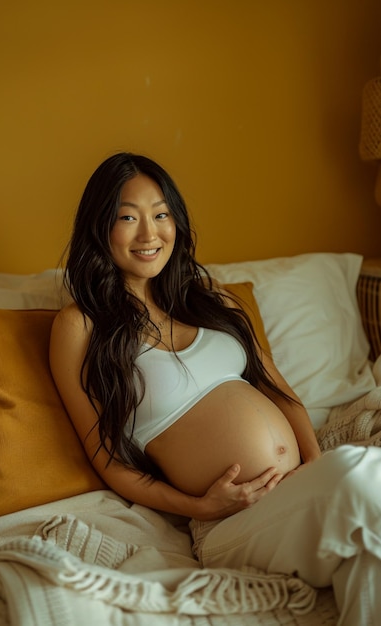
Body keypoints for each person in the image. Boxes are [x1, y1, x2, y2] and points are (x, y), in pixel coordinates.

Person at [50, 152, 381, 626]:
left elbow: (281, 391)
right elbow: (107, 460)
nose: (150, 233)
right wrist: (201, 506)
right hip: (229, 522)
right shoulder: (80, 326)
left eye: (161, 214)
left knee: (369, 556)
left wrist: (313, 466)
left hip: (304, 490)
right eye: (128, 217)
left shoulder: (212, 299)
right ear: (100, 228)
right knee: (362, 472)